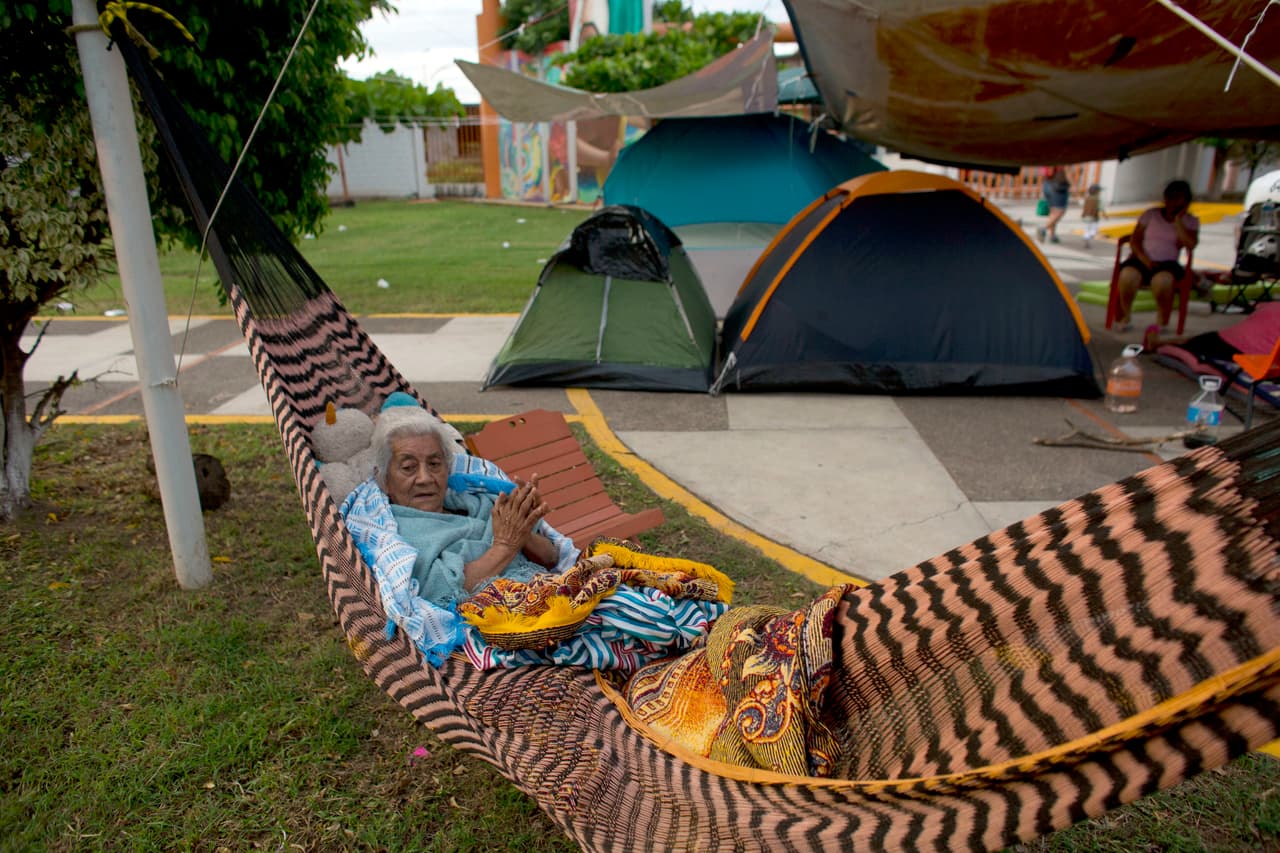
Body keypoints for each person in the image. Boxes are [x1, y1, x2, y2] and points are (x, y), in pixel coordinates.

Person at [369, 406, 578, 608]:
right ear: (385, 480)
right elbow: (441, 594)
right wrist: (504, 546)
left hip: (556, 595)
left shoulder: (481, 501)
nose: (425, 478)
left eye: (434, 464)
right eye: (408, 467)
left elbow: (552, 558)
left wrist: (523, 531)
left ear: (447, 469)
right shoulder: (397, 538)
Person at [1113, 179, 1200, 333]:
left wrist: (1178, 221)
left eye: (1178, 198)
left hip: (1168, 264)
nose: (1173, 202)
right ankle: (1125, 316)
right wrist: (1144, 259)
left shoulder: (1191, 221)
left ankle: (1162, 320)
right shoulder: (1150, 214)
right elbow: (1135, 240)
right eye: (1170, 197)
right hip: (1141, 259)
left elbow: (1190, 244)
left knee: (1162, 282)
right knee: (1127, 276)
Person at [1037, 166, 1071, 244]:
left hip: (1047, 184)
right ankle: (1043, 229)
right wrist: (1074, 187)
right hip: (1058, 187)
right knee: (1060, 211)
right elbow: (1068, 171)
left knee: (1053, 212)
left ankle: (1052, 236)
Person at [1081, 183, 1105, 248]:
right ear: (1097, 192)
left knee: (1087, 228)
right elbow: (1101, 208)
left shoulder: (1086, 198)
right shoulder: (1098, 199)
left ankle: (1086, 237)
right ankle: (1089, 236)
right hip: (1094, 217)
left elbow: (1083, 204)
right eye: (1099, 191)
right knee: (1094, 229)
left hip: (1085, 216)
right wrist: (1105, 216)